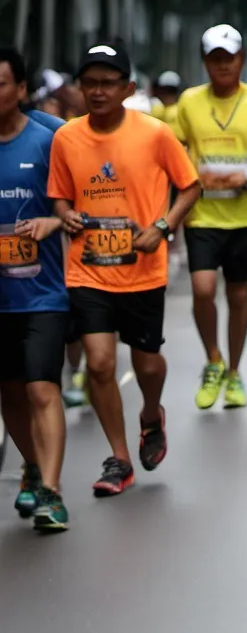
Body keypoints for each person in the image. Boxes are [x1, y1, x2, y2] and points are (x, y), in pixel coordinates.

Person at [48, 40, 200, 495]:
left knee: (148, 364)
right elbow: (58, 192)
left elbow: (190, 187)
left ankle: (151, 414)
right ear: (78, 88)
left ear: (127, 87)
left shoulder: (154, 133)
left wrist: (163, 226)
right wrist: (63, 213)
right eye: (89, 84)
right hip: (87, 268)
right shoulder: (66, 137)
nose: (98, 92)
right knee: (98, 364)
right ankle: (118, 458)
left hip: (142, 268)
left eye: (108, 84)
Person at [176, 25, 247, 410]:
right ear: (205, 62)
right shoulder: (189, 102)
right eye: (215, 59)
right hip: (202, 216)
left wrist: (246, 175)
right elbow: (173, 150)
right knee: (203, 290)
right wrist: (193, 176)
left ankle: (235, 372)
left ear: (241, 59)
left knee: (238, 295)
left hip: (243, 216)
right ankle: (213, 359)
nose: (222, 65)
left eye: (229, 58)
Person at [0, 48, 70, 531]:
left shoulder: (52, 139)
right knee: (11, 393)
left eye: (1, 83)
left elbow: (82, 204)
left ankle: (50, 489)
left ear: (21, 90)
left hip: (44, 293)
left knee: (42, 388)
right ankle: (28, 465)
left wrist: (53, 220)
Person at [150, 70, 184, 141]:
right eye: (164, 90)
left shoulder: (180, 111)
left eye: (171, 91)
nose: (167, 95)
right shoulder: (154, 109)